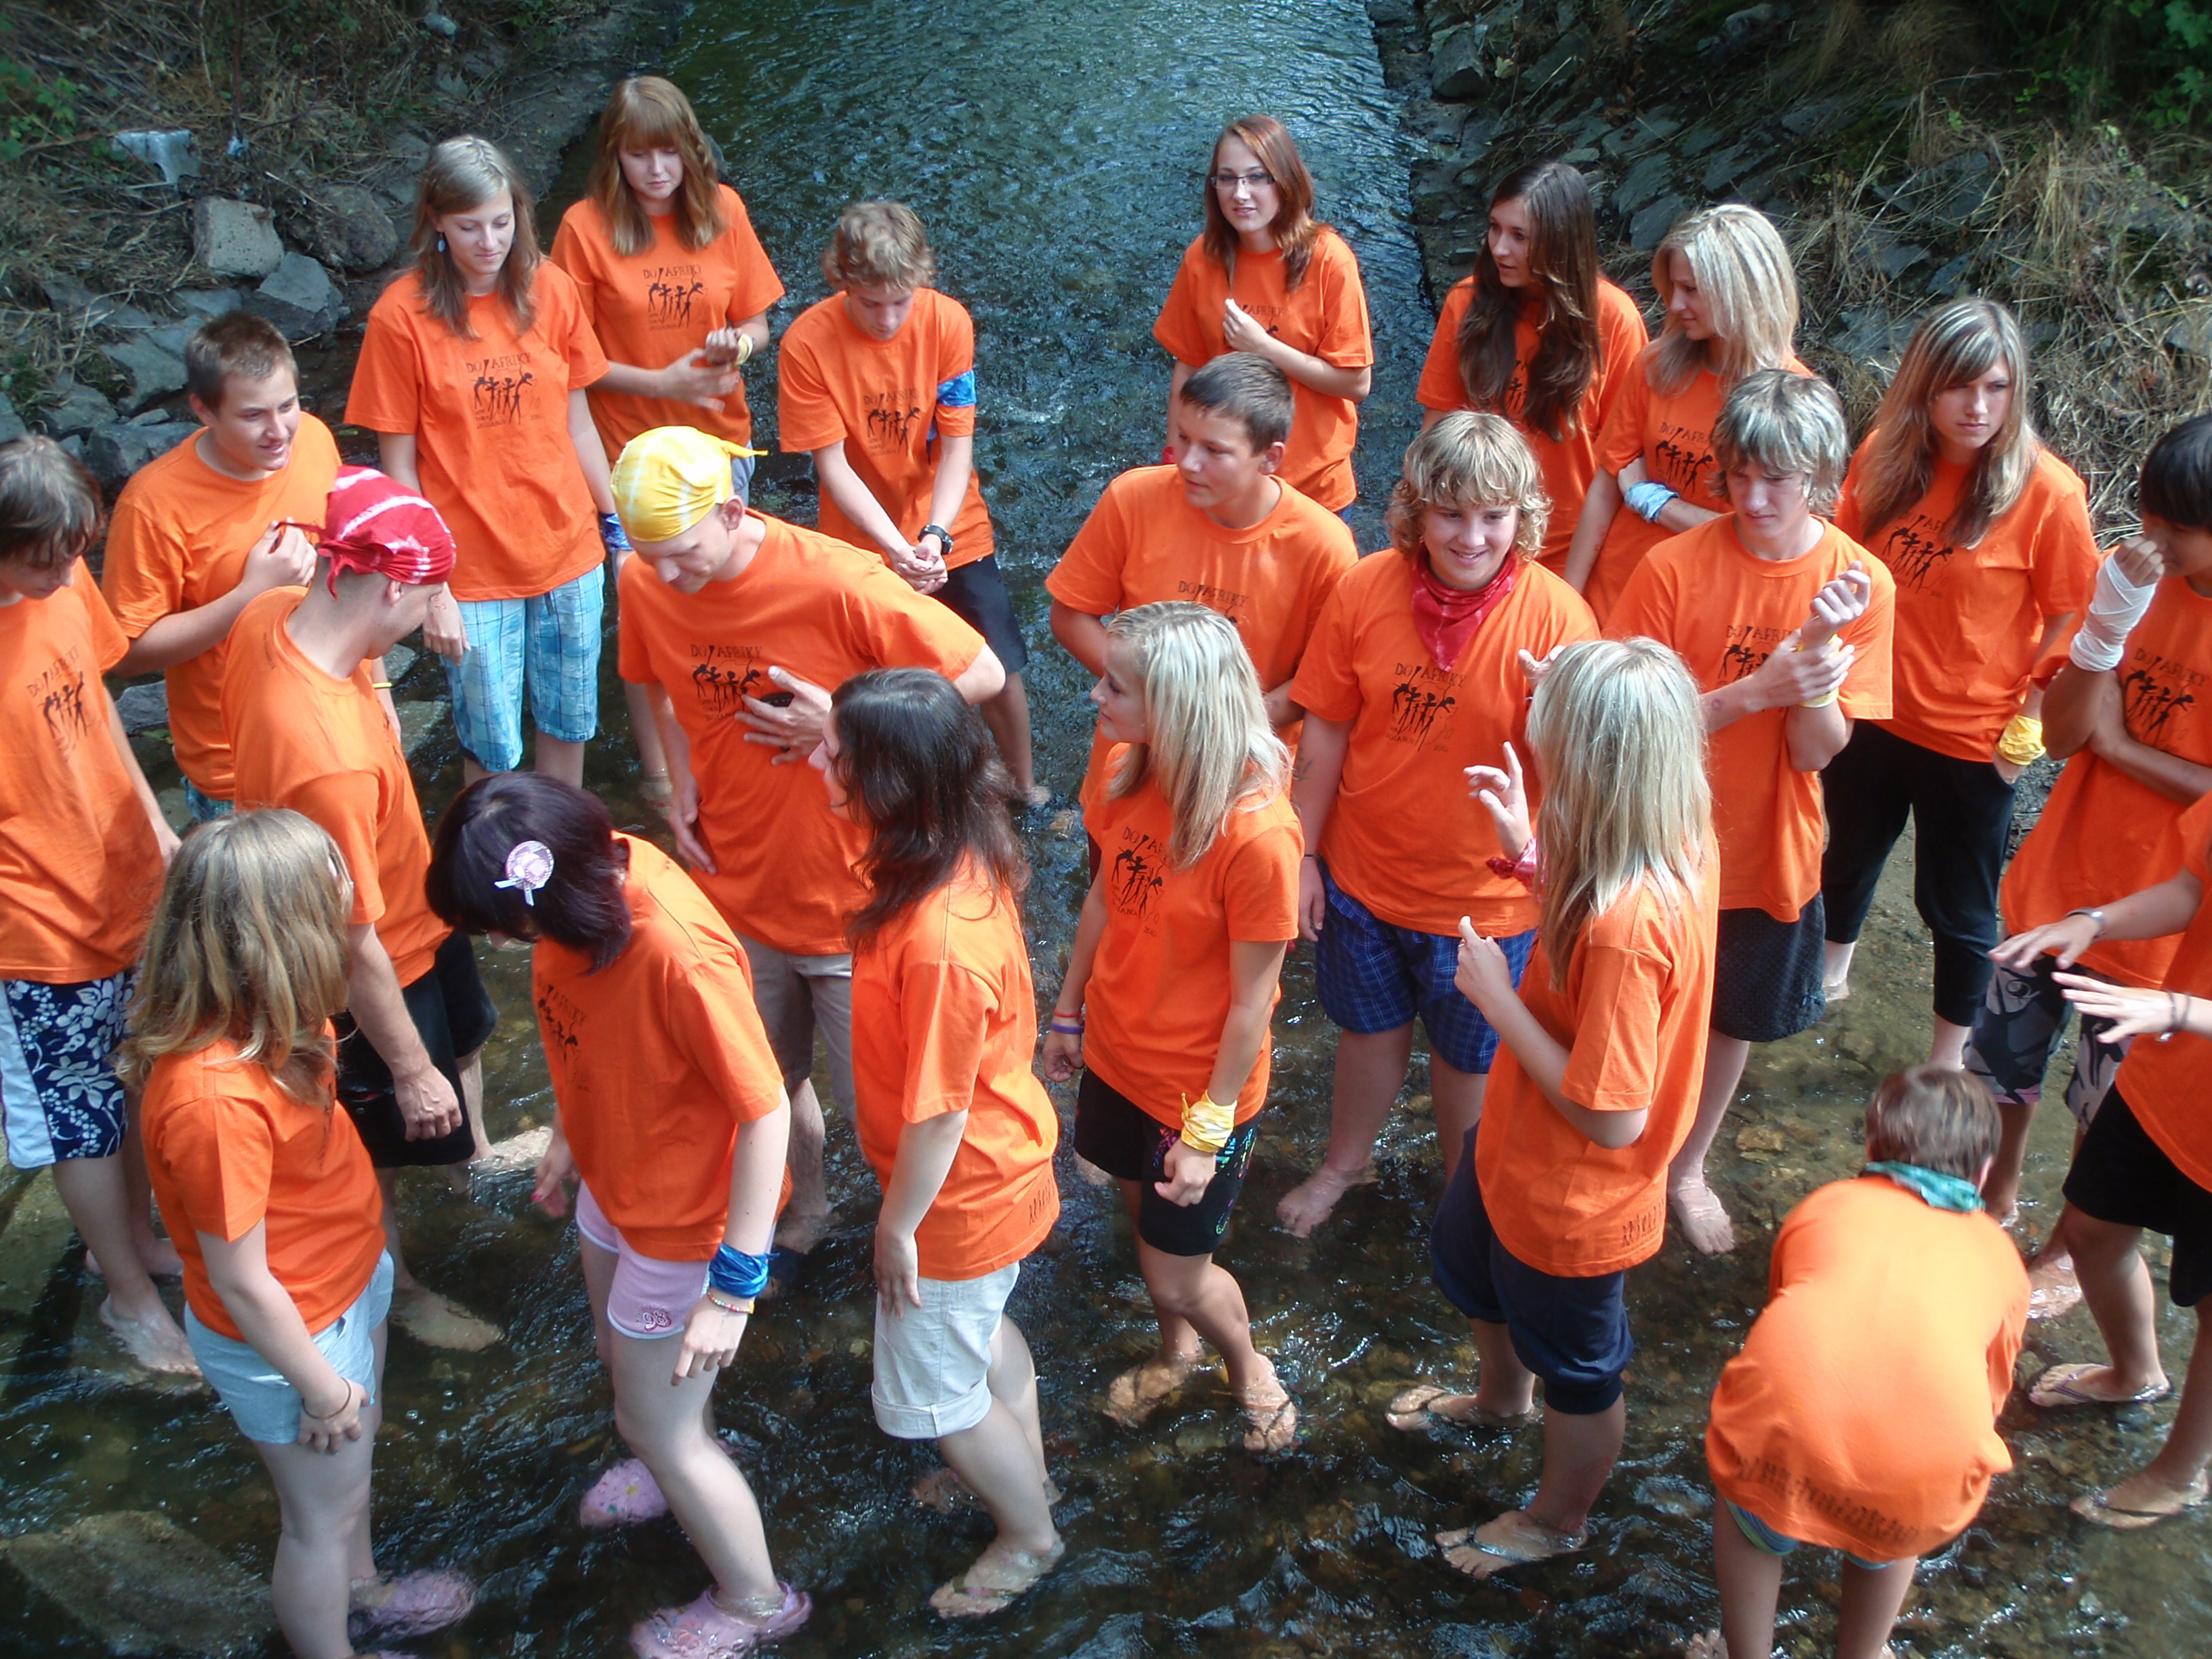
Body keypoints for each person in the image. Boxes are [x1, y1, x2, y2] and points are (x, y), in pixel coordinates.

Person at [610, 424, 1003, 1290]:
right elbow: (654, 680)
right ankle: (808, 1207)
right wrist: (675, 780)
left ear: (733, 511)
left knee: (886, 1107)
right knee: (762, 1081)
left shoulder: (838, 580)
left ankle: (915, 1247)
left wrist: (842, 719)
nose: (665, 577)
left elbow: (980, 675)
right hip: (734, 891)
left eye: (681, 556)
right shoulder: (645, 577)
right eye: (649, 557)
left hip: (856, 903)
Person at [424, 774, 808, 1656]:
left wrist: (734, 1286)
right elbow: (586, 1028)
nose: (502, 944)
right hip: (617, 1172)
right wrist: (569, 1132)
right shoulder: (583, 892)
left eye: (505, 928)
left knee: (654, 1424)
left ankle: (755, 1603)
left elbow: (765, 1112)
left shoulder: (675, 952)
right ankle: (679, 1450)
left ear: (551, 896)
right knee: (621, 1361)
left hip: (686, 1219)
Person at [127, 809, 478, 1658]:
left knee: (351, 1484)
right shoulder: (214, 1100)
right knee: (320, 1518)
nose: (355, 926)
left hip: (346, 1278)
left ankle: (365, 1592)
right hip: (296, 1334)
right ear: (280, 941)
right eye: (334, 912)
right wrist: (320, 1389)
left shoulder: (278, 1020)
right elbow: (241, 1280)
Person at [1408, 637, 1717, 1576]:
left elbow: (1614, 1116)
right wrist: (1529, 852)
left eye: (1553, 752)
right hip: (1512, 1148)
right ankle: (1500, 1402)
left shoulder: (1629, 926)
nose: (1540, 763)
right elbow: (1592, 910)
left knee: (1581, 1374)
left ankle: (1555, 1521)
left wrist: (1495, 1000)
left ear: (1596, 768)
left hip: (1575, 1199)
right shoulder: (1679, 836)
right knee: (1471, 1271)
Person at [1275, 413, 1597, 1237]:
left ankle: (1465, 1194)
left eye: (1494, 517)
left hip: (1490, 905)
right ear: (1417, 510)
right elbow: (1326, 732)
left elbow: (1582, 782)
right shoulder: (1364, 589)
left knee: (1470, 1060)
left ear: (1524, 518)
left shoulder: (1559, 620)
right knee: (1366, 1034)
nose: (1471, 537)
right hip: (1364, 881)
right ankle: (1344, 1164)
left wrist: (1559, 707)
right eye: (1451, 514)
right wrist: (1302, 855)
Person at [1607, 371, 1896, 1255]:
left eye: (1779, 479)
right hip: (1657, 836)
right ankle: (1621, 1153)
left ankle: (1686, 1167)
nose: (1756, 498)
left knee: (1732, 1018)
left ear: (1823, 478)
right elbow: (1623, 724)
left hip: (1769, 843)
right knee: (1632, 1007)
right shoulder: (1672, 567)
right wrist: (1756, 690)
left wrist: (1817, 655)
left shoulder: (1860, 583)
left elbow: (1815, 752)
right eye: (1739, 476)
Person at [223, 466, 500, 1351]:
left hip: (419, 911)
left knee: (469, 1039)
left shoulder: (273, 615)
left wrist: (378, 683)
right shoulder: (328, 761)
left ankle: (471, 1160)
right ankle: (400, 1287)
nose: (430, 612)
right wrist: (411, 1070)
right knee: (369, 1139)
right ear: (385, 588)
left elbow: (355, 634)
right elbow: (354, 945)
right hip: (368, 963)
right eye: (427, 595)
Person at [813, 670, 1063, 1617]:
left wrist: (897, 1228)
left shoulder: (939, 937)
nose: (820, 763)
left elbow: (940, 1111)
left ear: (887, 782)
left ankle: (1030, 1536)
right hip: (1002, 1172)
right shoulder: (961, 848)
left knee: (937, 1398)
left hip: (957, 1201)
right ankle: (1023, 1474)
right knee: (984, 1332)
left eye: (836, 752)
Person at [1041, 602, 1301, 1454]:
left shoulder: (1257, 836)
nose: (1095, 696)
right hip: (1117, 1058)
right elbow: (1103, 897)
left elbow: (1252, 1003)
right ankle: (1177, 1352)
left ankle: (1249, 1365)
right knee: (1146, 1234)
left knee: (1180, 1274)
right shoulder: (1128, 767)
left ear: (1180, 705)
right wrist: (1068, 1010)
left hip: (1198, 1098)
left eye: (1116, 686)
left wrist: (1206, 1132)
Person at [1819, 299, 2100, 1067]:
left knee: (1958, 907)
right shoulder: (1883, 456)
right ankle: (1830, 977)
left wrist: (2028, 723)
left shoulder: (2048, 492)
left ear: (2016, 392)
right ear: (1925, 385)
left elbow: (2073, 612)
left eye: (1996, 388)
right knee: (1845, 856)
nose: (1977, 407)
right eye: (1958, 387)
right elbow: (1841, 562)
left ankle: (1947, 1061)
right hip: (1871, 709)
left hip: (1974, 738)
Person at [1974, 415, 2212, 1313]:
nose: (2151, 540)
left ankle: (2071, 1253)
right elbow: (2066, 737)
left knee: (2101, 1105)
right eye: (2146, 516)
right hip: (2059, 881)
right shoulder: (2132, 581)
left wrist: (2124, 747)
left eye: (2175, 528)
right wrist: (2106, 633)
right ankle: (1995, 1197)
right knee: (2004, 1062)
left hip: (2159, 920)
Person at [1688, 1067, 2028, 1659]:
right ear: (1983, 1172)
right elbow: (1992, 1393)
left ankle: (1745, 1652)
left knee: (1752, 1517)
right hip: (1919, 1478)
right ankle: (1864, 1652)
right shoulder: (2002, 1257)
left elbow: (1786, 1320)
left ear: (1871, 1148)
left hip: (1785, 1442)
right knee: (1893, 1534)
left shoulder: (1826, 1205)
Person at [0, 436, 191, 1374]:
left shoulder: (67, 583)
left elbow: (98, 700)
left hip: (125, 880)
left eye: (78, 552)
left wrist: (153, 823)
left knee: (141, 1068)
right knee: (80, 1113)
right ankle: (126, 1299)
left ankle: (142, 1240)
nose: (67, 573)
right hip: (37, 929)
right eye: (46, 559)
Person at [347, 135, 618, 787]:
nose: (490, 242)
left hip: (568, 552)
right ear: (436, 222)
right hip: (469, 573)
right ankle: (490, 853)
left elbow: (579, 424)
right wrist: (432, 587)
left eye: (502, 222)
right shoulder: (400, 316)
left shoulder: (552, 289)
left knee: (569, 723)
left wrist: (620, 531)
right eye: (469, 227)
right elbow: (399, 473)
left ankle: (561, 844)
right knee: (491, 748)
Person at [551, 74, 785, 805]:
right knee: (649, 616)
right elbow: (567, 356)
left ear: (691, 150)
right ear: (614, 158)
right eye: (638, 155)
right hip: (630, 454)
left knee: (727, 600)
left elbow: (758, 324)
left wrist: (735, 347)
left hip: (719, 449)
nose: (657, 171)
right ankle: (661, 775)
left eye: (669, 153)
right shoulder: (583, 230)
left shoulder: (723, 210)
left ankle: (733, 747)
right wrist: (663, 384)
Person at [779, 202, 1044, 805]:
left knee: (998, 664)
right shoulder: (807, 344)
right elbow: (834, 467)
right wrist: (896, 549)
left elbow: (956, 447)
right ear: (842, 281)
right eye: (870, 303)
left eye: (901, 301)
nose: (888, 318)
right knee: (877, 682)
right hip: (861, 537)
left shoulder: (948, 323)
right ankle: (900, 796)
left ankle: (1025, 789)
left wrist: (934, 537)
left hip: (951, 522)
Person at [2000, 786, 2212, 1530]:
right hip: (2166, 1081)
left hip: (2181, 1040)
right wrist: (2091, 921)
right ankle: (2135, 1371)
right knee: (2093, 1231)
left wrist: (2181, 1009)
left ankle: (2180, 1474)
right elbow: (2191, 888)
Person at [1047, 352, 1356, 813]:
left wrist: (1212, 724)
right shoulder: (1133, 498)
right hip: (1130, 765)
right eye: (1183, 437)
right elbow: (1071, 616)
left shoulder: (1323, 546)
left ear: (1270, 458)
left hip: (1242, 781)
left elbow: (1321, 683)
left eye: (1214, 450)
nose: (1188, 462)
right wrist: (1158, 705)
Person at [102, 312, 342, 822]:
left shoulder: (316, 439)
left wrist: (380, 695)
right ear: (203, 410)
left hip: (337, 732)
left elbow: (345, 568)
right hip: (239, 770)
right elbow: (127, 653)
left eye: (288, 406)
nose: (279, 432)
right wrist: (247, 596)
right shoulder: (154, 504)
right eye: (253, 416)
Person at [1563, 203, 1807, 621]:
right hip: (1618, 593)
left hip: (1709, 609)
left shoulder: (1792, 397)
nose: (1675, 304)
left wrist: (1653, 501)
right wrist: (1567, 603)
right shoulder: (1655, 365)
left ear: (1740, 291)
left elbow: (1765, 538)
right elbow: (1605, 489)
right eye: (1674, 287)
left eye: (1691, 289)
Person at [1415, 159, 1649, 573]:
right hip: (1475, 547)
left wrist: (1575, 583)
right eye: (1495, 228)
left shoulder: (1614, 319)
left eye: (1520, 236)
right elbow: (1434, 437)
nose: (1499, 248)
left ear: (1561, 241)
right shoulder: (1466, 303)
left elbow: (1621, 463)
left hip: (1568, 553)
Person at [1153, 115, 1373, 515]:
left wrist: (1264, 348)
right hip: (1226, 487)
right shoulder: (1203, 258)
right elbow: (1188, 369)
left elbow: (1356, 383)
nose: (1241, 194)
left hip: (1313, 489)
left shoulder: (1328, 259)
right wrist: (1176, 459)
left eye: (1257, 177)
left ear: (1285, 180)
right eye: (1227, 178)